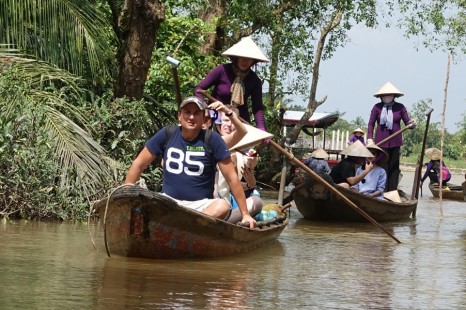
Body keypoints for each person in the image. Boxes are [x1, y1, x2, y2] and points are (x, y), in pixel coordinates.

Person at [124, 96, 256, 228]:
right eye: (187, 112)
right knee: (141, 200)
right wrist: (125, 195)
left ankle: (186, 226)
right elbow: (139, 164)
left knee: (223, 206)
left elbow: (232, 178)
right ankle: (174, 223)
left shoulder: (212, 139)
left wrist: (245, 214)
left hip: (200, 208)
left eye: (196, 113)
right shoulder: (168, 133)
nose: (191, 117)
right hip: (166, 201)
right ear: (179, 116)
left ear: (204, 118)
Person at [195, 36, 269, 131]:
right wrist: (204, 108)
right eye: (243, 57)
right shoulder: (222, 70)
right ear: (236, 57)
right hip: (216, 118)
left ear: (253, 61)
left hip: (239, 121)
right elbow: (199, 88)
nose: (245, 61)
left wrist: (261, 128)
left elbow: (257, 107)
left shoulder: (254, 80)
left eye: (249, 58)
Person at [214, 109, 263, 223]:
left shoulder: (243, 152)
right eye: (225, 120)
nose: (229, 125)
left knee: (256, 201)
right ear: (218, 126)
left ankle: (235, 218)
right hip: (214, 202)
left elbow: (250, 164)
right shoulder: (211, 145)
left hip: (229, 201)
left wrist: (250, 183)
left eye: (232, 121)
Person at [367, 82, 415, 192]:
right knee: (382, 166)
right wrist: (370, 138)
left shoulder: (400, 107)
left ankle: (392, 190)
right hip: (381, 142)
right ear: (381, 96)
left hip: (395, 142)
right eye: (385, 95)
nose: (387, 97)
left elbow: (407, 122)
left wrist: (412, 124)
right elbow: (371, 123)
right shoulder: (377, 108)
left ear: (394, 96)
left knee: (394, 167)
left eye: (389, 95)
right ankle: (381, 190)